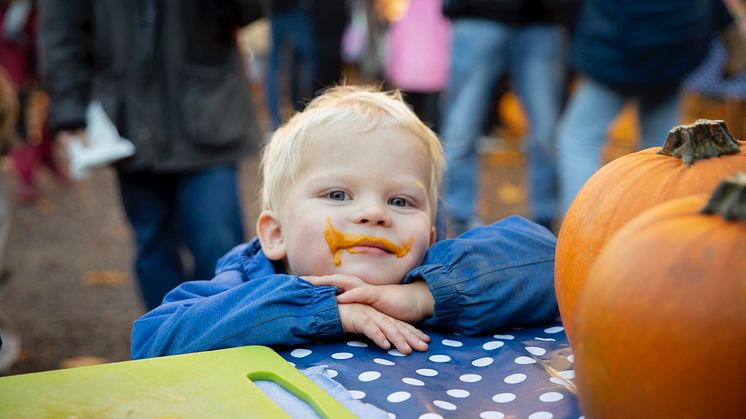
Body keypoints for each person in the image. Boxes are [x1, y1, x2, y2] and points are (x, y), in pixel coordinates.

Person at [131, 86, 558, 359]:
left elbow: (554, 261)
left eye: (400, 200)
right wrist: (325, 311)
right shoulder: (243, 283)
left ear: (429, 235)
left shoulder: (429, 270)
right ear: (275, 235)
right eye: (337, 195)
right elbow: (152, 340)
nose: (375, 214)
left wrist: (422, 296)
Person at [39, 1, 264, 310]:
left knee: (219, 246)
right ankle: (166, 342)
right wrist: (69, 109)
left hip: (209, 113)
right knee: (153, 246)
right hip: (130, 122)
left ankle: (221, 338)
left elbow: (251, 10)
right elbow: (62, 29)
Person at [556, 0, 720, 215]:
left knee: (579, 139)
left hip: (616, 48)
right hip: (675, 46)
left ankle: (584, 219)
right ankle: (660, 223)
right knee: (663, 146)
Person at [439, 0, 578, 235]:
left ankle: (545, 221)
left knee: (547, 131)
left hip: (542, 19)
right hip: (478, 15)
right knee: (462, 127)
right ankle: (459, 219)